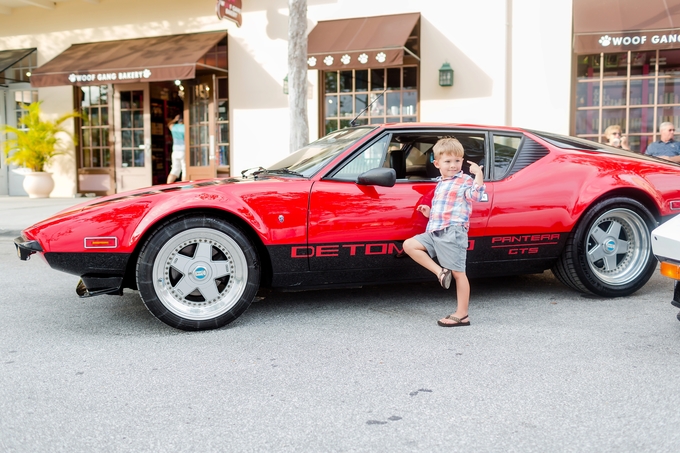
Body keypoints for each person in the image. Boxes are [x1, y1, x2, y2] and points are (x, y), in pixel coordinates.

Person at [403, 137, 486, 327]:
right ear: (437, 163)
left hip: (452, 232)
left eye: (457, 161)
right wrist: (429, 212)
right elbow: (447, 209)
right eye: (448, 161)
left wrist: (478, 175)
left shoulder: (464, 180)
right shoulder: (441, 182)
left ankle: (462, 314)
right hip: (435, 230)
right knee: (410, 245)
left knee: (459, 274)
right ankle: (440, 272)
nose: (453, 165)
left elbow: (476, 195)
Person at [167, 114, 186, 183]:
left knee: (174, 170)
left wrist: (174, 120)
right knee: (185, 170)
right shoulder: (185, 127)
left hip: (175, 151)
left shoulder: (174, 127)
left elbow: (169, 124)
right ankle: (185, 187)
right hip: (184, 150)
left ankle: (168, 185)